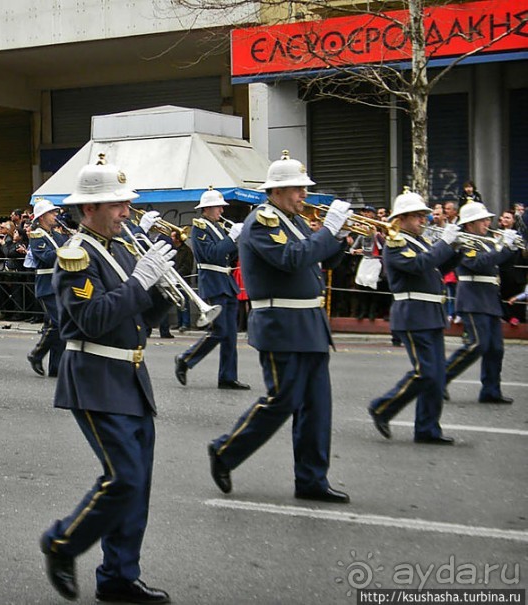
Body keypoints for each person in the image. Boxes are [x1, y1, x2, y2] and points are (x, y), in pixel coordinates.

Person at [39, 154, 173, 604]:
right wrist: (139, 283)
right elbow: (93, 319)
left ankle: (118, 575)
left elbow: (139, 318)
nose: (125, 212)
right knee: (124, 478)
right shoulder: (75, 257)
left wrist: (161, 290)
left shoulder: (120, 249)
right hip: (95, 376)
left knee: (139, 484)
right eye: (116, 204)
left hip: (130, 375)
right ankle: (62, 543)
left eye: (125, 203)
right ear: (89, 208)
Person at [206, 151, 352, 503]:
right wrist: (327, 230)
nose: (304, 195)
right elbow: (292, 259)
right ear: (276, 191)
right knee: (281, 401)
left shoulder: (294, 221)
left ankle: (312, 479)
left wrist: (340, 238)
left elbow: (319, 259)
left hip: (310, 325)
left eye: (304, 188)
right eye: (297, 189)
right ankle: (225, 451)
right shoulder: (263, 222)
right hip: (281, 324)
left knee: (317, 407)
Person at [368, 188, 462, 445]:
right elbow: (419, 265)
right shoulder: (396, 242)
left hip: (430, 313)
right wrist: (445, 243)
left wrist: (457, 249)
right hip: (413, 313)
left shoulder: (419, 241)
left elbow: (437, 266)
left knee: (437, 376)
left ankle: (427, 428)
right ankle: (382, 407)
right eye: (418, 215)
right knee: (426, 372)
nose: (424, 219)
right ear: (401, 219)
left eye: (423, 215)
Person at [443, 202, 521, 404]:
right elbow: (478, 263)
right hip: (473, 298)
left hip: (489, 298)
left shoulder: (487, 241)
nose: (488, 222)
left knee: (496, 348)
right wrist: (504, 247)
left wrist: (512, 249)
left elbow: (502, 265)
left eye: (487, 219)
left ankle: (491, 390)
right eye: (483, 220)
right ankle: (439, 380)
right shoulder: (464, 242)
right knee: (476, 345)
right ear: (470, 224)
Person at [174, 187, 250, 390]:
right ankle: (185, 359)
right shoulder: (200, 228)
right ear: (207, 209)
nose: (222, 211)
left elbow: (228, 256)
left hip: (226, 282)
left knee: (230, 334)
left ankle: (228, 376)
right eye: (218, 207)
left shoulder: (218, 227)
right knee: (219, 330)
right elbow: (212, 254)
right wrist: (231, 238)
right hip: (213, 283)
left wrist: (239, 240)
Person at [26, 198, 69, 377]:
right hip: (47, 286)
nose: (55, 216)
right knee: (58, 323)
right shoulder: (37, 236)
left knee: (58, 325)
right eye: (52, 213)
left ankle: (56, 366)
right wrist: (67, 248)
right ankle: (37, 354)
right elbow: (47, 257)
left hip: (60, 285)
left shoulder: (57, 235)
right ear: (42, 217)